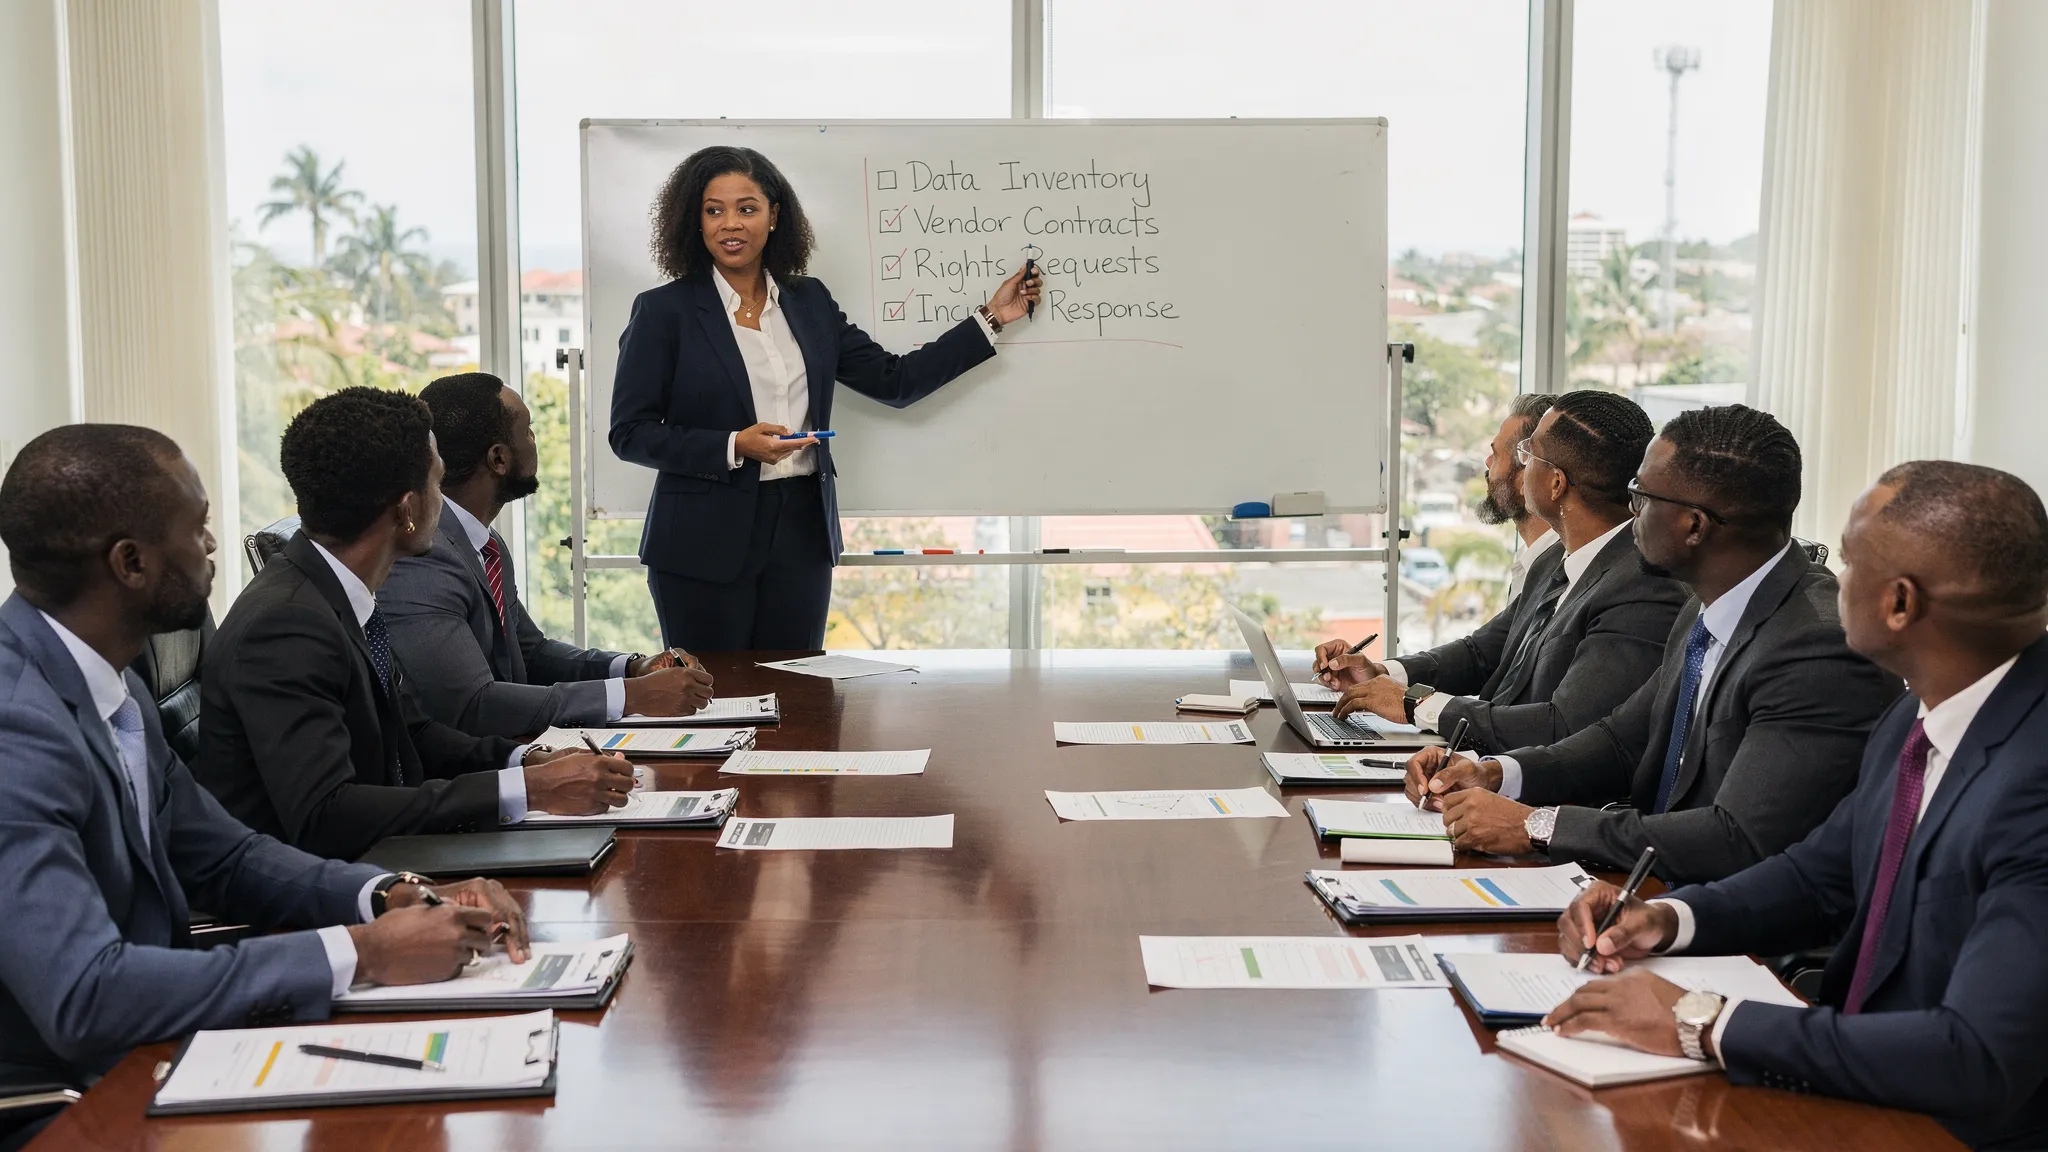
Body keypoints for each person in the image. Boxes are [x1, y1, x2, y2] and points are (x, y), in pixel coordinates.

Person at [0, 425, 531, 1146]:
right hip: (69, 1104)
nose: (214, 546)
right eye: (199, 527)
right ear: (129, 563)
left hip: (162, 1053)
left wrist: (385, 895)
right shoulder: (17, 730)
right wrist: (362, 952)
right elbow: (87, 995)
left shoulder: (108, 680)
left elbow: (225, 856)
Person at [1547, 461, 2048, 1150]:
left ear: (1899, 604)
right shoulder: (1915, 716)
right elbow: (1821, 873)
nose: (1834, 582)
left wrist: (1702, 1021)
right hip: (1852, 1085)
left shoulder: (2034, 780)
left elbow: (1976, 1055)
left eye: (1848, 562)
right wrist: (1665, 919)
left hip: (1950, 1130)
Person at [1410, 405, 1898, 884]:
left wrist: (1539, 826)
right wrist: (1494, 772)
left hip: (1736, 933)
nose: (1629, 512)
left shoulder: (1815, 649)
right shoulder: (1705, 605)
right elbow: (1622, 741)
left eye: (1640, 497)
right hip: (1651, 888)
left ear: (1693, 526)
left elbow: (1736, 838)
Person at [609, 145, 1042, 651]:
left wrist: (989, 319)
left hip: (801, 530)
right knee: (715, 699)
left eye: (747, 208)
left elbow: (894, 380)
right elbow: (630, 433)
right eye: (714, 210)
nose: (731, 224)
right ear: (695, 221)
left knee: (800, 699)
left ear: (774, 217)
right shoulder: (665, 311)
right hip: (702, 541)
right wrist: (733, 445)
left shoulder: (809, 300)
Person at [197, 388, 635, 861]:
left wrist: (523, 763)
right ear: (407, 510)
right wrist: (527, 791)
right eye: (437, 485)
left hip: (381, 856)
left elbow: (416, 734)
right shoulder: (286, 626)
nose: (445, 505)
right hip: (322, 890)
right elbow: (327, 814)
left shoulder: (337, 592)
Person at [1316, 391, 1687, 755]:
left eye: (1529, 454)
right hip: (1480, 768)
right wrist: (1381, 673)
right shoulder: (1554, 558)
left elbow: (1564, 728)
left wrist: (1417, 704)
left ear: (1556, 484)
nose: (1519, 467)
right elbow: (1482, 653)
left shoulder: (1643, 590)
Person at [380, 371, 715, 738]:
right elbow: (473, 706)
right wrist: (631, 697)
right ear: (498, 458)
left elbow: (531, 654)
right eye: (528, 430)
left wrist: (632, 667)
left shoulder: (484, 543)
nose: (534, 440)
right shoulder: (424, 556)